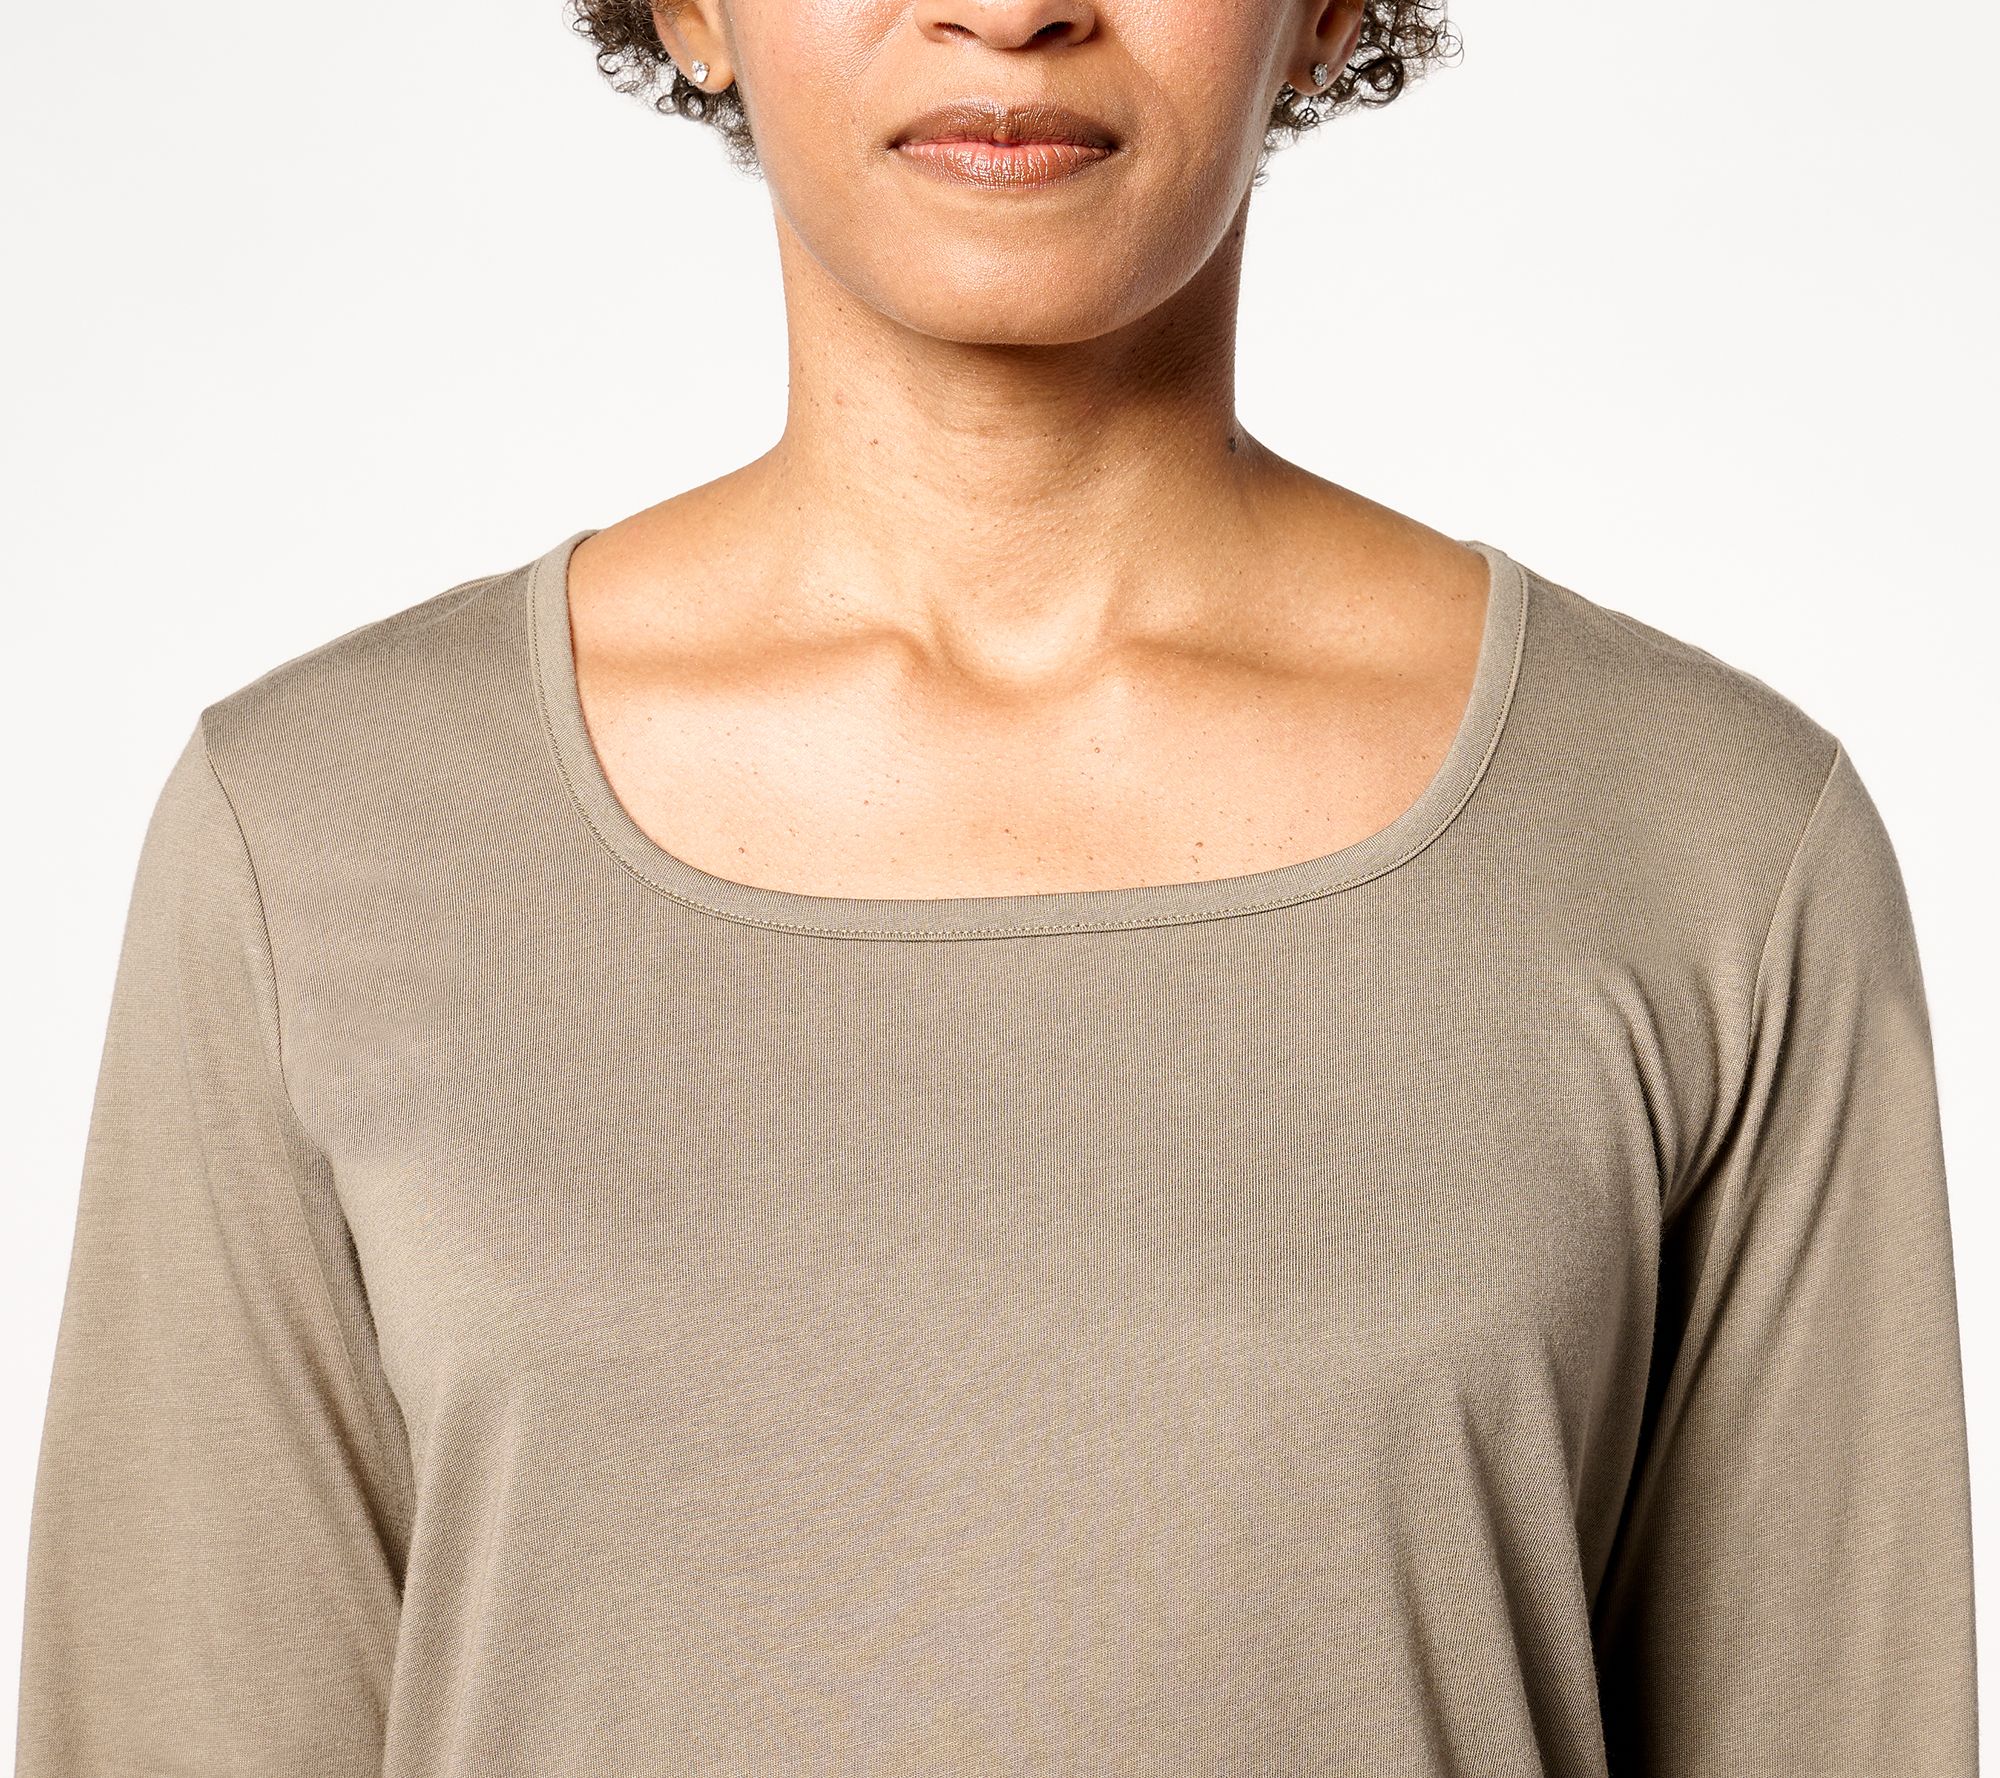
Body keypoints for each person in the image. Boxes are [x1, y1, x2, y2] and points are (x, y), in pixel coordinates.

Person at [14, 2, 1976, 1775]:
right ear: (691, 9)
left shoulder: (1700, 843)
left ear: (1328, 13)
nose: (1011, 11)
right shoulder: (319, 836)